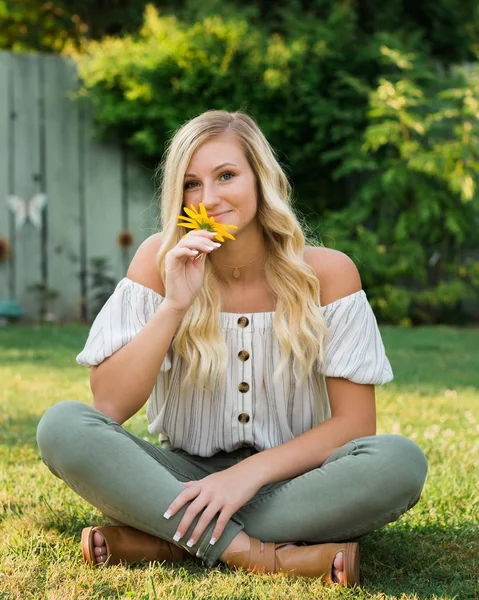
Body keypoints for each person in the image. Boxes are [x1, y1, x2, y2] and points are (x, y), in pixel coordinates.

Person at [36, 109, 428, 587]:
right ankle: (259, 555)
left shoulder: (329, 273)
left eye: (226, 175)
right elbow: (109, 405)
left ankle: (166, 539)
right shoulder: (157, 261)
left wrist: (245, 477)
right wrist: (175, 303)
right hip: (183, 473)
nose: (210, 197)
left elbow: (354, 425)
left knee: (400, 462)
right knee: (62, 425)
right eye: (191, 183)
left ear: (260, 179)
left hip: (294, 478)